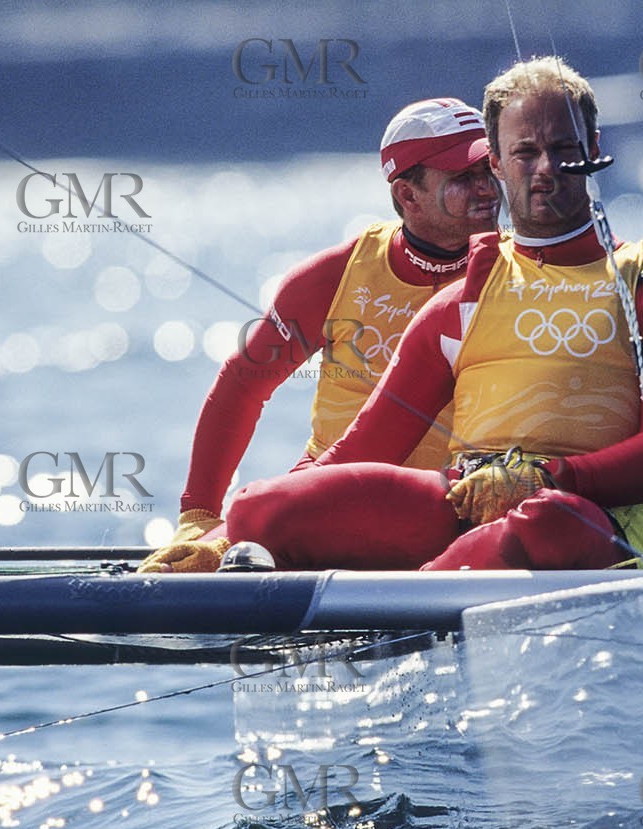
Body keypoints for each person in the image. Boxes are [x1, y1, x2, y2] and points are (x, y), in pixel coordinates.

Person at [175, 57, 643, 571]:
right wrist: (220, 535)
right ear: (500, 163)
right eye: (525, 153)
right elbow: (360, 447)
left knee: (549, 517)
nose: (546, 169)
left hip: (583, 521)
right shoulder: (460, 297)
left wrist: (546, 478)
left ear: (594, 148)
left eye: (563, 149)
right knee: (259, 506)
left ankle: (406, 599)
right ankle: (398, 585)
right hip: (461, 508)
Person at [140, 97, 500, 572]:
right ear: (407, 195)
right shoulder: (335, 276)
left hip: (459, 501)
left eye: (489, 170)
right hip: (330, 495)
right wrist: (198, 515)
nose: (486, 189)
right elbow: (242, 386)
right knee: (195, 556)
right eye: (463, 177)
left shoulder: (519, 272)